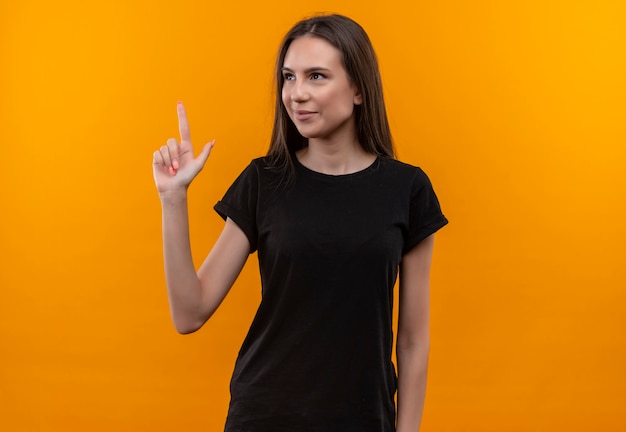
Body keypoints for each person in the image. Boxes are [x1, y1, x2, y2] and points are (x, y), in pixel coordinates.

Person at [153, 13, 448, 432]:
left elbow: (414, 341)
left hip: (365, 419)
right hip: (264, 415)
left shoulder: (407, 189)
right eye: (289, 77)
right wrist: (172, 199)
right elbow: (189, 313)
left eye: (316, 77)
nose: (297, 94)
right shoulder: (264, 181)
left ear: (360, 89)